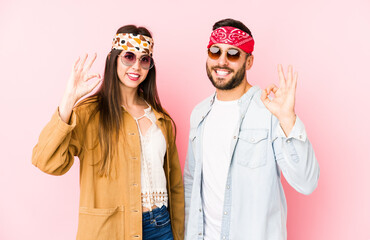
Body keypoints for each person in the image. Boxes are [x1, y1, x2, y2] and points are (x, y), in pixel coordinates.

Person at [32, 25, 184, 240]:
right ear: (114, 59)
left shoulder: (161, 118)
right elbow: (45, 160)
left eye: (144, 60)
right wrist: (68, 100)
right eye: (129, 57)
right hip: (110, 230)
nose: (136, 66)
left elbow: (175, 184)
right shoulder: (89, 113)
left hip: (161, 226)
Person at [184, 18, 320, 240]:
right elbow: (191, 184)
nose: (222, 61)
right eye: (215, 51)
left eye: (233, 54)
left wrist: (288, 119)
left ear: (249, 62)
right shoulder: (199, 113)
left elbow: (306, 182)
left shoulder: (269, 111)